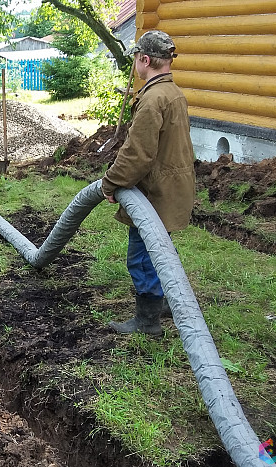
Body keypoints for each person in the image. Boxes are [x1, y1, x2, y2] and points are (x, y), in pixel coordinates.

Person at [100, 30, 196, 335]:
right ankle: (165, 299)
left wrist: (111, 182)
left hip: (155, 190)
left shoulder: (153, 99)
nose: (134, 67)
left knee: (142, 256)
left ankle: (148, 319)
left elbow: (137, 153)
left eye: (135, 60)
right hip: (173, 184)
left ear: (144, 60)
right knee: (162, 248)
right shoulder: (172, 92)